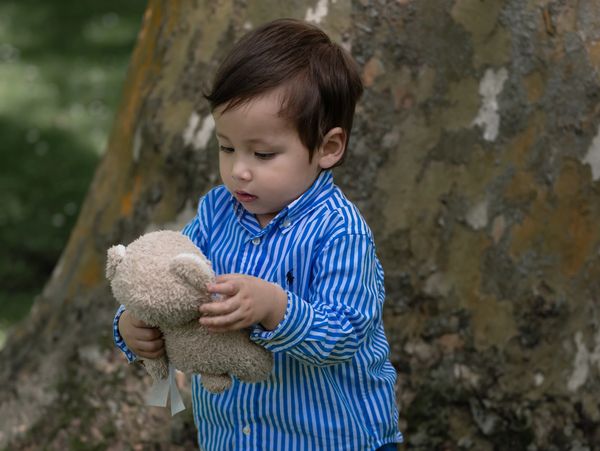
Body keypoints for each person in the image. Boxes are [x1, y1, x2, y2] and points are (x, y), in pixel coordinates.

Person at [114, 18, 403, 450]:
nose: (239, 170)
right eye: (226, 147)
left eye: (263, 153)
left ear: (328, 148)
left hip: (333, 436)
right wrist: (134, 325)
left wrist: (275, 307)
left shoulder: (339, 231)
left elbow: (345, 333)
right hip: (234, 435)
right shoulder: (216, 212)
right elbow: (170, 281)